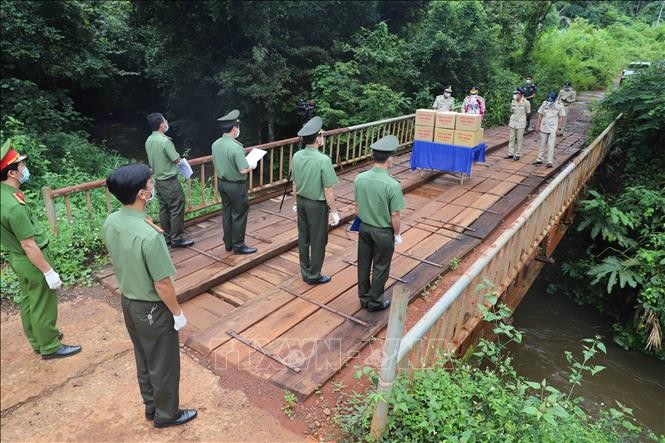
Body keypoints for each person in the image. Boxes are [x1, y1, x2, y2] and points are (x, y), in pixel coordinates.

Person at [103, 163, 197, 428]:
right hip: (152, 309)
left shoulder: (112, 220)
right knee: (164, 363)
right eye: (150, 183)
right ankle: (167, 414)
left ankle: (151, 406)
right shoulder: (150, 236)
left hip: (129, 302)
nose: (153, 184)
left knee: (144, 356)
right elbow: (163, 284)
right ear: (141, 194)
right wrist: (177, 313)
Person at [0, 140, 82, 359]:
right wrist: (48, 271)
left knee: (29, 300)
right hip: (31, 258)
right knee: (43, 302)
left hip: (17, 258)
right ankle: (50, 346)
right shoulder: (13, 206)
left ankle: (38, 339)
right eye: (21, 166)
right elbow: (28, 244)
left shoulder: (3, 195)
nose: (25, 169)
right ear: (12, 174)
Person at [354, 135, 406, 312]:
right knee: (381, 267)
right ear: (389, 159)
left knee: (363, 263)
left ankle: (364, 298)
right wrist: (397, 234)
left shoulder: (360, 178)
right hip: (383, 232)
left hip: (364, 227)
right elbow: (395, 215)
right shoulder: (392, 185)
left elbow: (357, 207)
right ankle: (375, 302)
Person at [291, 116, 340, 285]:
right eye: (322, 135)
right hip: (316, 205)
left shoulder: (296, 156)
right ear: (318, 139)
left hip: (302, 202)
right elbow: (328, 189)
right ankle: (314, 275)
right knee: (318, 240)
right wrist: (334, 212)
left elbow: (295, 183)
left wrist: (296, 203)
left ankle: (305, 271)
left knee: (303, 238)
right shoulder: (323, 160)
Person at [211, 109, 257, 254]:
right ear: (234, 128)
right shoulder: (236, 147)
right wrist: (252, 165)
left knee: (227, 212)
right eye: (237, 127)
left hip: (222, 184)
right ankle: (238, 245)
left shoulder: (216, 144)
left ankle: (228, 243)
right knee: (239, 214)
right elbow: (243, 169)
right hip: (236, 186)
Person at [144, 112, 193, 248]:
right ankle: (177, 239)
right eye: (165, 121)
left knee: (164, 208)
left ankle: (166, 237)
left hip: (157, 180)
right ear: (161, 124)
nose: (166, 123)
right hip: (169, 180)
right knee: (177, 207)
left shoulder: (149, 140)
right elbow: (176, 159)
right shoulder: (165, 141)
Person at [534, 92, 565, 168]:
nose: (549, 101)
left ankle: (549, 161)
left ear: (555, 99)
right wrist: (537, 126)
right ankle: (539, 159)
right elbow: (540, 115)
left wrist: (559, 128)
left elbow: (561, 118)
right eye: (549, 99)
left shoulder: (559, 105)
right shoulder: (545, 104)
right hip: (544, 126)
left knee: (551, 145)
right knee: (542, 144)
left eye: (551, 100)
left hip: (553, 128)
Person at [507, 87, 531, 161]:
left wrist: (524, 120)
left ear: (521, 94)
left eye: (517, 93)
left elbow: (528, 113)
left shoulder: (526, 102)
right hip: (513, 122)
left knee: (519, 139)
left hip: (521, 123)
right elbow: (511, 110)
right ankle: (510, 153)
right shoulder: (513, 101)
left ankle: (517, 154)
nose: (515, 95)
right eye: (515, 93)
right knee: (511, 138)